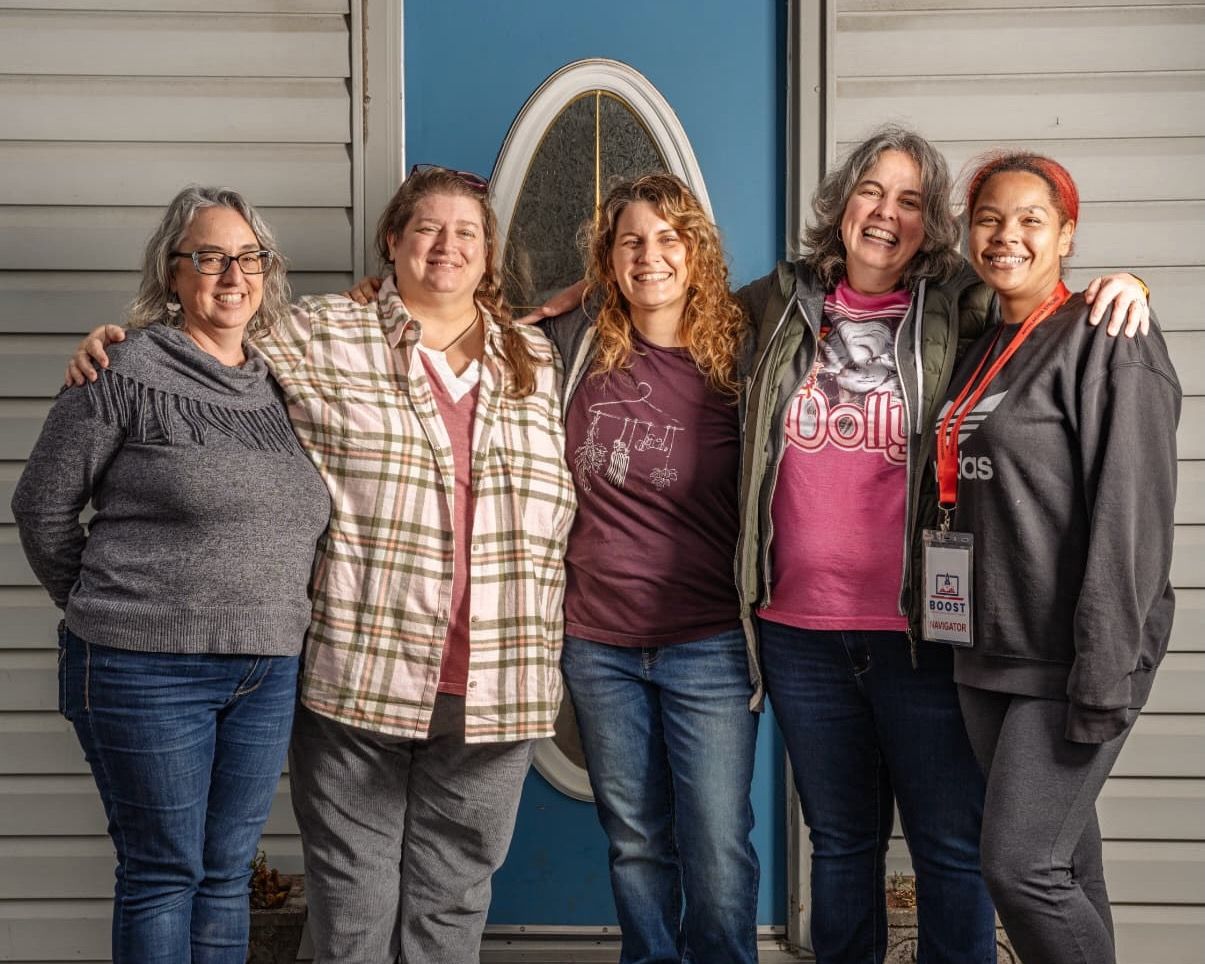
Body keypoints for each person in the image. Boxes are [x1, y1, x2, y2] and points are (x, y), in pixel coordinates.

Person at [65, 166, 577, 963]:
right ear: (392, 240)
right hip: (361, 672)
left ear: (489, 254)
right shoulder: (318, 333)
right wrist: (117, 341)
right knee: (352, 911)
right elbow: (208, 335)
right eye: (428, 229)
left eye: (467, 232)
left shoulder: (533, 360)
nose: (447, 246)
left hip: (500, 680)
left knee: (455, 904)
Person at [732, 127, 1151, 964]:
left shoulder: (958, 308)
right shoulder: (769, 306)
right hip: (798, 634)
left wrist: (1128, 284)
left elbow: (1039, 300)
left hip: (924, 635)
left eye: (911, 202)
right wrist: (553, 308)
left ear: (932, 228)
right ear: (839, 205)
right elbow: (662, 301)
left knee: (955, 850)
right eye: (870, 193)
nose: (886, 215)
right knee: (841, 846)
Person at [13, 186, 331, 962]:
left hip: (264, 670)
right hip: (142, 669)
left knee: (223, 875)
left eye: (247, 257)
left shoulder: (283, 382)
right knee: (162, 872)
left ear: (267, 271)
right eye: (209, 257)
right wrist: (110, 610)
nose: (231, 275)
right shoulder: (123, 367)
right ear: (174, 270)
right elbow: (40, 507)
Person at [940, 152, 1178, 964]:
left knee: (1021, 868)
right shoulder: (980, 341)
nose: (1006, 236)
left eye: (1030, 220)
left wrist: (1106, 667)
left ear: (1066, 234)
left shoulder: (1108, 336)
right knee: (1069, 866)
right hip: (985, 651)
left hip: (1070, 654)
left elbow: (1132, 516)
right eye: (988, 219)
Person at [543, 173, 759, 963]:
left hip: (707, 643)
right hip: (597, 642)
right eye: (631, 240)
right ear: (607, 258)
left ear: (696, 252)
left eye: (669, 238)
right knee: (633, 840)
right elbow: (452, 318)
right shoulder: (571, 345)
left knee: (715, 842)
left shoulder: (743, 353)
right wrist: (374, 290)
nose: (651, 256)